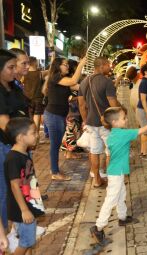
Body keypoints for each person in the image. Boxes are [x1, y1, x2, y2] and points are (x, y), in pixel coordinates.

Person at [90, 106, 147, 244]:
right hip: (116, 172)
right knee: (111, 199)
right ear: (114, 122)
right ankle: (98, 227)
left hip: (115, 171)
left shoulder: (114, 132)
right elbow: (145, 129)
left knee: (121, 194)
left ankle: (123, 217)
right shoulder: (122, 134)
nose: (126, 120)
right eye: (123, 118)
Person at [4, 118, 45, 255]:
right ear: (21, 138)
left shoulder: (24, 154)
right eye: (33, 133)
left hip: (27, 204)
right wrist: (24, 210)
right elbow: (15, 185)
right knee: (27, 242)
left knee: (26, 240)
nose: (37, 135)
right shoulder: (14, 158)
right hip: (21, 207)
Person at [79, 57, 120, 188]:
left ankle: (96, 180)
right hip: (106, 124)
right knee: (110, 151)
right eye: (108, 65)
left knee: (95, 152)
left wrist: (85, 120)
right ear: (101, 66)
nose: (110, 67)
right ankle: (112, 181)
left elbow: (81, 104)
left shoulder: (84, 81)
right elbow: (113, 104)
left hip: (91, 123)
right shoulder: (107, 82)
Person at [0, 49, 29, 230]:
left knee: (24, 187)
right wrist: (22, 142)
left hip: (20, 146)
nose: (14, 70)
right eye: (10, 67)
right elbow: (4, 123)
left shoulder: (13, 86)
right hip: (7, 147)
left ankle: (19, 229)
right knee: (5, 192)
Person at [44, 57, 85, 181]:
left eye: (67, 64)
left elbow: (80, 86)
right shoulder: (56, 77)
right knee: (55, 145)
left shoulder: (63, 81)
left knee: (56, 144)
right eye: (65, 65)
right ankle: (55, 172)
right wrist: (81, 64)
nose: (67, 67)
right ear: (58, 66)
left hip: (59, 116)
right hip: (53, 116)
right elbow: (74, 80)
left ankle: (55, 170)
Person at [23, 57, 47, 138]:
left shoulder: (24, 74)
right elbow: (50, 71)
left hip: (27, 99)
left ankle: (30, 136)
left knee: (29, 118)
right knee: (37, 118)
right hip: (38, 99)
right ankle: (36, 136)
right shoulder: (40, 73)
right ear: (35, 63)